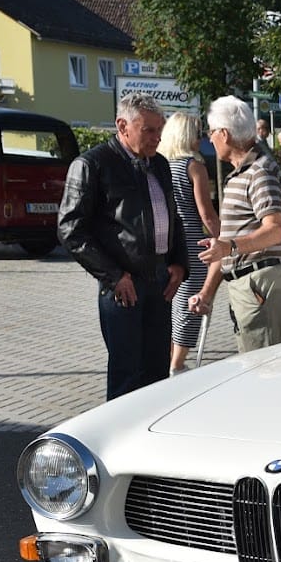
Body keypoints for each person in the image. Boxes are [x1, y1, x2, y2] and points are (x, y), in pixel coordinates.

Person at [58, 91, 187, 400]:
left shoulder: (159, 165)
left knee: (157, 372)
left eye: (160, 129)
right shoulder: (93, 165)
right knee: (127, 376)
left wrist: (180, 263)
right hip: (123, 288)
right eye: (149, 130)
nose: (157, 138)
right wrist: (114, 276)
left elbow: (173, 217)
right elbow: (70, 229)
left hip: (159, 283)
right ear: (122, 126)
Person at [188, 95, 281, 353]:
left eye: (211, 132)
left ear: (224, 134)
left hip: (258, 282)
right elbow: (225, 242)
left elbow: (274, 230)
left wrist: (229, 247)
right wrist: (206, 293)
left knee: (264, 371)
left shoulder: (260, 170)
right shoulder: (241, 173)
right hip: (248, 283)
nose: (209, 139)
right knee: (256, 367)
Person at [156, 111, 220, 374]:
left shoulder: (160, 165)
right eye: (197, 132)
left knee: (171, 302)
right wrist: (223, 236)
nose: (201, 138)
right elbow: (205, 212)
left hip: (165, 239)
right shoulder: (193, 167)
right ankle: (177, 364)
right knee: (190, 302)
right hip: (192, 240)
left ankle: (167, 358)